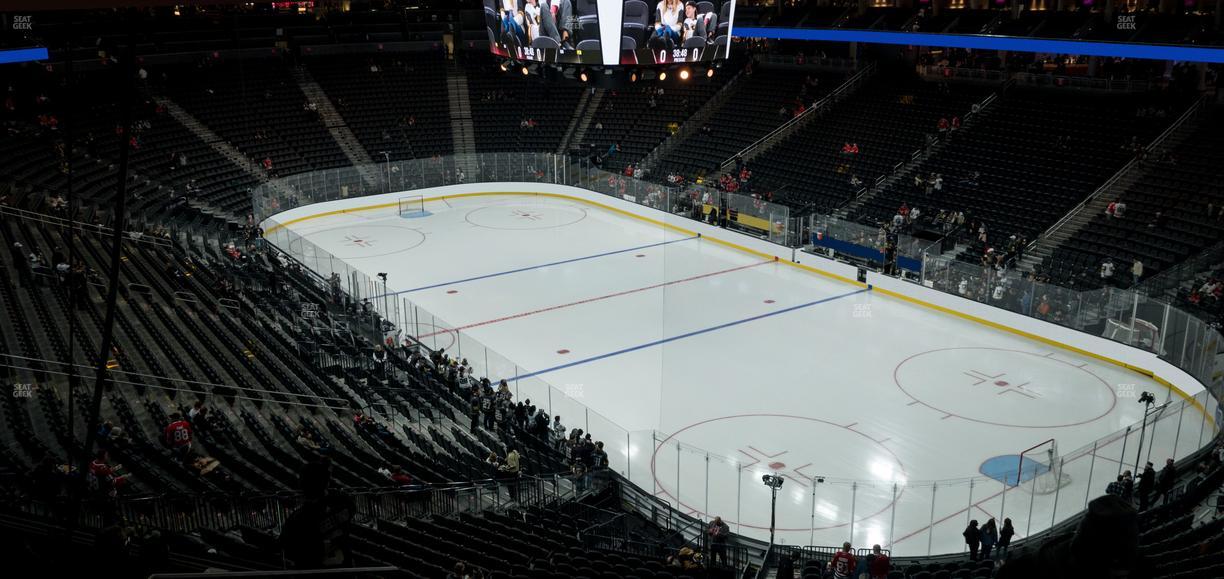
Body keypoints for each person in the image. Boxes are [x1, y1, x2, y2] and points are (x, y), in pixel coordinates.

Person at [280, 460, 355, 569]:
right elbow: (348, 504)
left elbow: (288, 551)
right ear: (326, 484)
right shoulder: (343, 504)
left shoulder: (295, 521)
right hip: (344, 571)